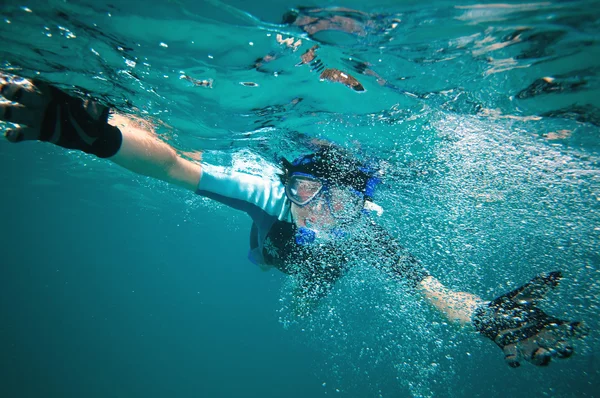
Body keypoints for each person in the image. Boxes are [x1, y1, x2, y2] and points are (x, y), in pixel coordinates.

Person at [0, 75, 587, 368]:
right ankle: (304, 284)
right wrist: (87, 133)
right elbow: (174, 165)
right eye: (308, 190)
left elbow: (433, 291)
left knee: (318, 280)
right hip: (271, 255)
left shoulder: (361, 233)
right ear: (288, 182)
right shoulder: (266, 195)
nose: (322, 213)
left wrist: (487, 317)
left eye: (344, 203)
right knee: (288, 272)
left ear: (364, 204)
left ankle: (311, 288)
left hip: (318, 266)